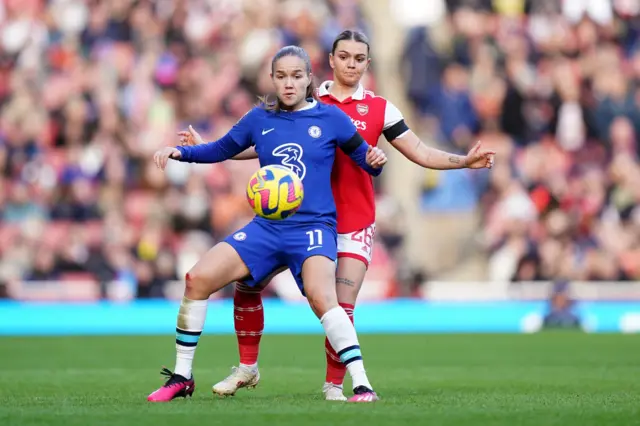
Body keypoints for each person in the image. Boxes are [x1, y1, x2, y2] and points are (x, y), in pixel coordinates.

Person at [197, 31, 496, 401]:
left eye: (359, 58)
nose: (351, 64)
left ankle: (334, 385)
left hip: (353, 223)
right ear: (332, 60)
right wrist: (215, 150)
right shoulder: (308, 98)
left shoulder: (381, 109)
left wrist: (463, 161)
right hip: (300, 221)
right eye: (344, 56)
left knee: (340, 306)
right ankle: (247, 367)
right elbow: (265, 141)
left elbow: (418, 151)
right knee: (248, 286)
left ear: (367, 64)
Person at [147, 45, 387, 403]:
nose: (288, 83)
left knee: (324, 299)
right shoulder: (259, 118)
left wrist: (375, 160)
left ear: (309, 79)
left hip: (313, 228)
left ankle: (362, 383)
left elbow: (365, 161)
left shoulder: (332, 119)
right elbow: (222, 148)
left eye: (296, 76)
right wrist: (182, 153)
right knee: (197, 279)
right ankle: (182, 377)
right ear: (272, 79)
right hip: (267, 227)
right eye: (281, 76)